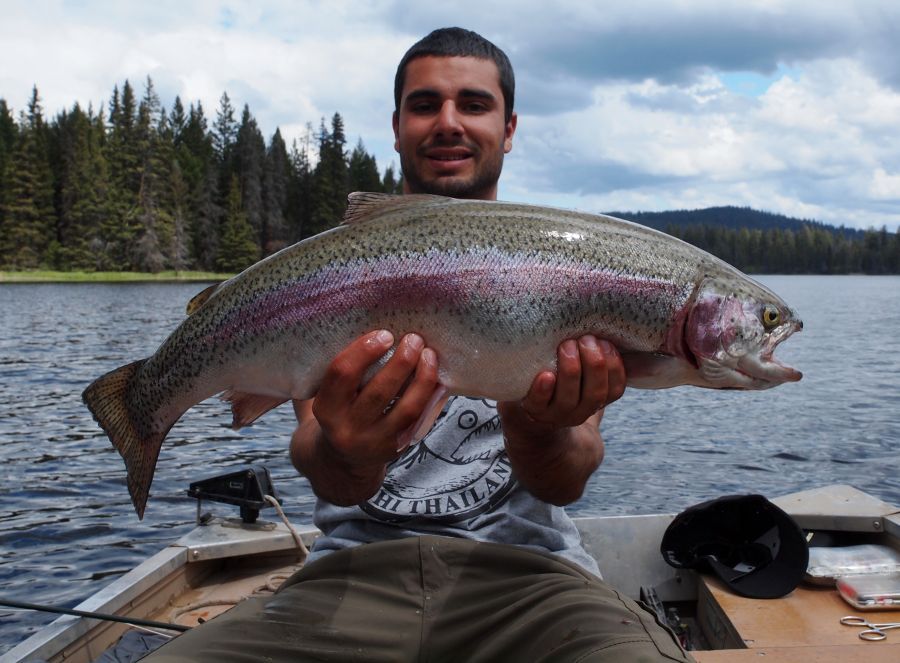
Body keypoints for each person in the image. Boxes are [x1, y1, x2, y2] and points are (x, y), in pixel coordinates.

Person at [146, 27, 694, 663]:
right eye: (426, 104)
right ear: (398, 124)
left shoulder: (567, 274)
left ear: (509, 128)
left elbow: (567, 479)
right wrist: (347, 451)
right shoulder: (334, 272)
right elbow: (320, 464)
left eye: (475, 104)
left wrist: (540, 429)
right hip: (350, 576)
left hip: (531, 582)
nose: (449, 122)